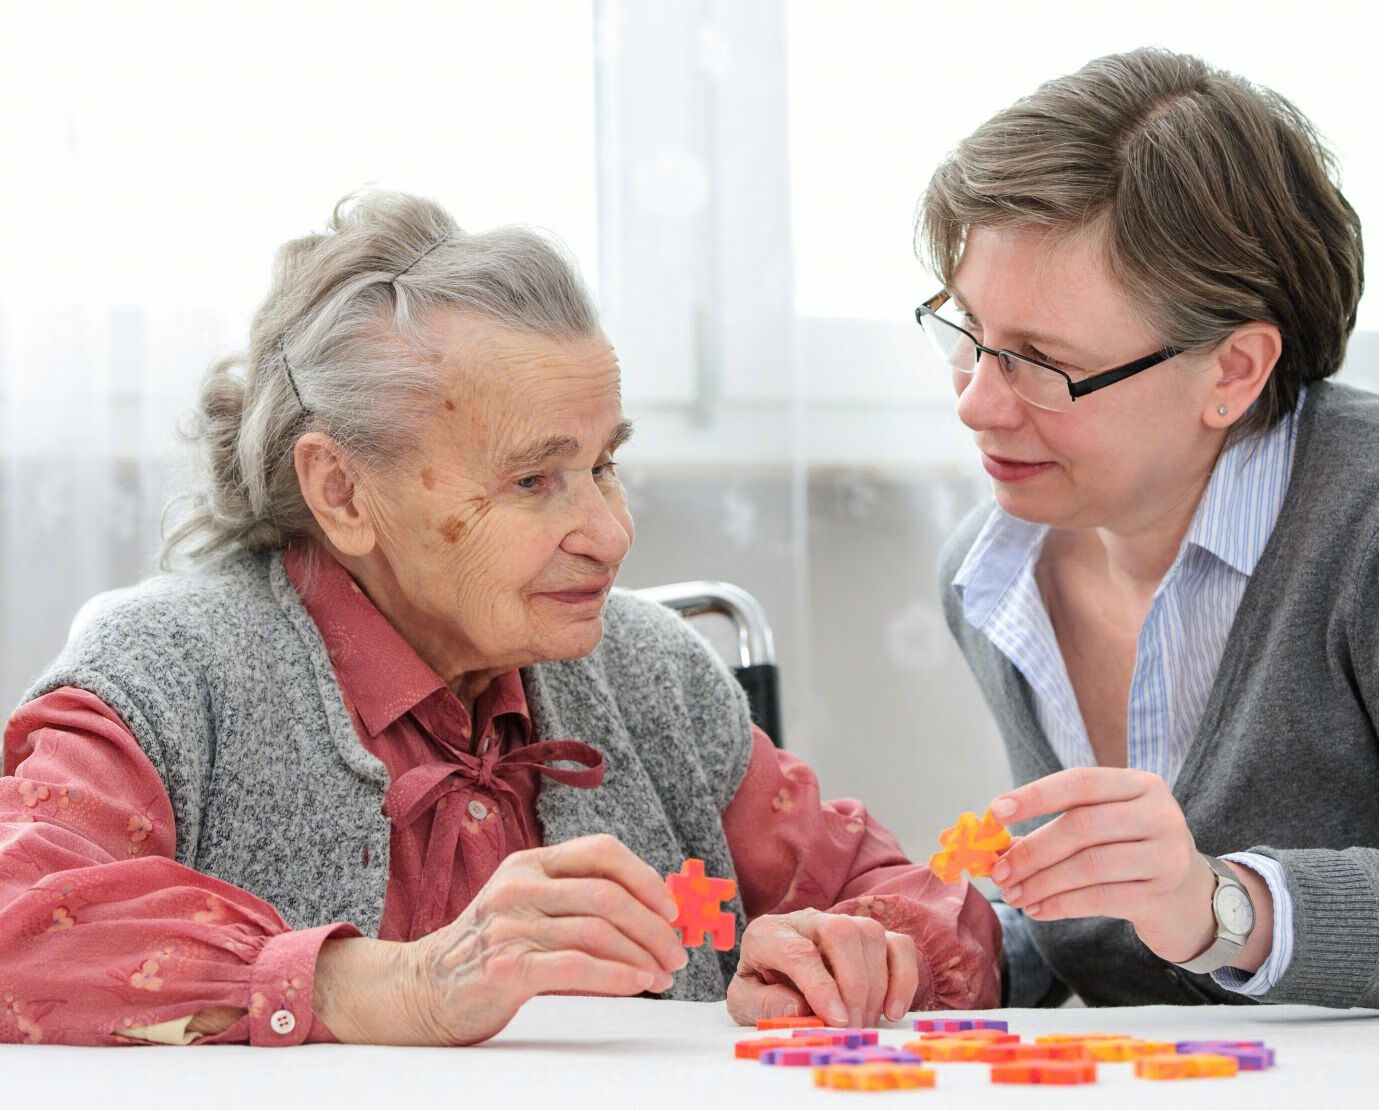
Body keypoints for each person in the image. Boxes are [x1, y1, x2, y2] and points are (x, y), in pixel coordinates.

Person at [0, 192, 998, 1047]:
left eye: (604, 464)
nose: (610, 532)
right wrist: (384, 985)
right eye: (533, 479)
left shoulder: (647, 673)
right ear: (342, 492)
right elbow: (17, 919)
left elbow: (929, 911)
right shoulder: (169, 674)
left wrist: (860, 957)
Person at [918, 48, 1379, 1011]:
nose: (975, 404)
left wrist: (1231, 906)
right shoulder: (991, 572)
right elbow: (1124, 936)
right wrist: (944, 954)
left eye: (1040, 362)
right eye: (967, 333)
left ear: (1233, 372)